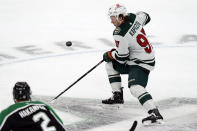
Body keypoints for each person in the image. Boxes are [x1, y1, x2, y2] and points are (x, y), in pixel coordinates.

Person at [102, 3, 163, 124]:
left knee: (135, 88)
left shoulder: (119, 33)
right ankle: (117, 96)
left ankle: (155, 113)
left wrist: (110, 54)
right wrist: (132, 17)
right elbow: (147, 16)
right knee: (110, 65)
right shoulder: (135, 18)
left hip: (141, 62)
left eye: (113, 17)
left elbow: (122, 58)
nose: (111, 21)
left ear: (120, 17)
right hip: (143, 57)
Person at [0, 81, 66, 131]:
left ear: (14, 95)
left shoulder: (8, 112)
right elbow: (60, 123)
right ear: (29, 93)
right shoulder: (41, 104)